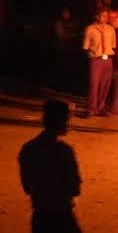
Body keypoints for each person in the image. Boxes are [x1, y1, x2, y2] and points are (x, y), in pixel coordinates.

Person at [19, 100, 82, 233]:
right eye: (67, 119)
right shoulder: (64, 151)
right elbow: (75, 188)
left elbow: (26, 186)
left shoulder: (28, 149)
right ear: (62, 122)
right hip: (63, 215)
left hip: (40, 215)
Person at [81, 9, 116, 117]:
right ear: (97, 16)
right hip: (96, 58)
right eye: (103, 16)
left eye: (106, 16)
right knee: (94, 84)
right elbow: (85, 46)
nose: (105, 18)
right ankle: (91, 108)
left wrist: (107, 54)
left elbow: (113, 45)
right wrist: (94, 54)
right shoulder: (90, 29)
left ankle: (101, 108)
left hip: (107, 59)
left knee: (105, 84)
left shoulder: (111, 29)